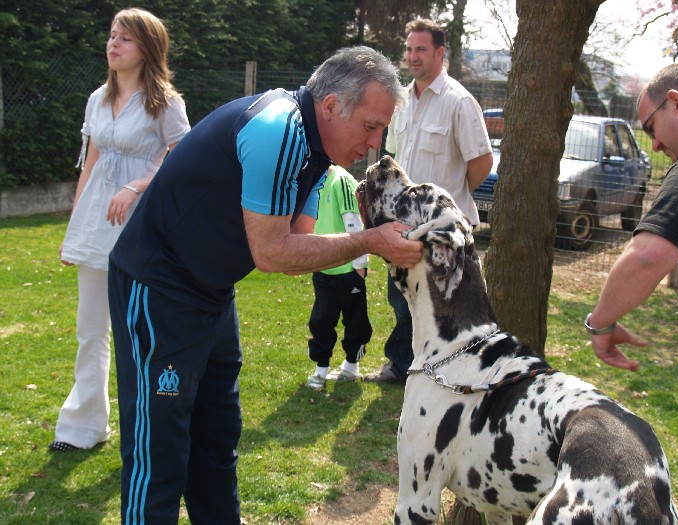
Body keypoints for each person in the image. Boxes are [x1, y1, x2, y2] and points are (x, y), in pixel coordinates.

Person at [107, 46, 422, 524]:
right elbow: (272, 253)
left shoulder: (317, 152)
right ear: (332, 105)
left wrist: (365, 237)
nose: (376, 144)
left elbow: (297, 250)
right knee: (160, 455)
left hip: (211, 294)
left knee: (216, 442)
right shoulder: (279, 130)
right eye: (370, 126)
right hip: (158, 288)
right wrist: (371, 241)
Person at [49, 8, 190, 452]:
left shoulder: (166, 102)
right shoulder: (96, 98)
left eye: (124, 38)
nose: (113, 44)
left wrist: (136, 185)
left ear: (147, 48)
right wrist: (76, 229)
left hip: (142, 229)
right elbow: (90, 163)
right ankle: (82, 428)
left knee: (141, 333)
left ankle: (148, 424)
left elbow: (182, 159)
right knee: (90, 330)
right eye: (112, 36)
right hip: (97, 226)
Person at [363, 18, 493, 384]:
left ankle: (446, 372)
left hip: (441, 232)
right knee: (402, 302)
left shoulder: (459, 102)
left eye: (421, 49)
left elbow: (481, 161)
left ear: (440, 53)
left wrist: (448, 201)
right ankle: (402, 367)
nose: (412, 56)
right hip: (405, 228)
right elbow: (393, 159)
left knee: (445, 305)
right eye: (409, 49)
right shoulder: (401, 101)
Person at [585, 63, 678, 371]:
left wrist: (600, 323)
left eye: (651, 127)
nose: (656, 144)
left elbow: (647, 256)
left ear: (675, 102)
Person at [305, 164, 372, 390]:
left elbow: (354, 223)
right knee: (322, 319)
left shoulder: (341, 180)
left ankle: (351, 365)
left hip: (347, 270)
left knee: (355, 321)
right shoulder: (312, 181)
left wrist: (359, 264)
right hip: (323, 266)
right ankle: (320, 369)